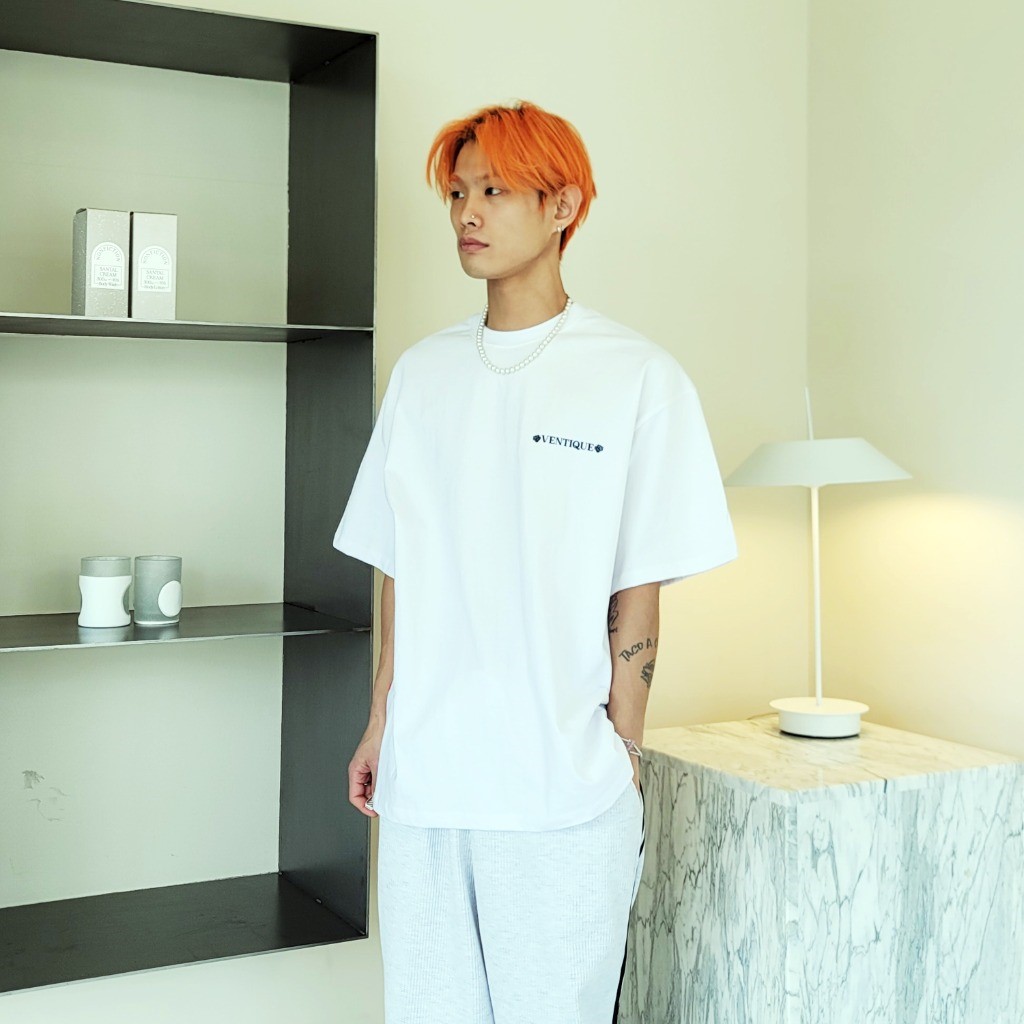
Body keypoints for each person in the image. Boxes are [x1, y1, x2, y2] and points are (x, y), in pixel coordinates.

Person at [333, 100, 737, 1024]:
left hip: (562, 794)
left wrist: (623, 748)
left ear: (563, 206)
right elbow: (401, 564)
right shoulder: (423, 374)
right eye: (457, 193)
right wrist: (381, 721)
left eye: (494, 191)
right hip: (428, 786)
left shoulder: (637, 376)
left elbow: (639, 586)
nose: (467, 213)